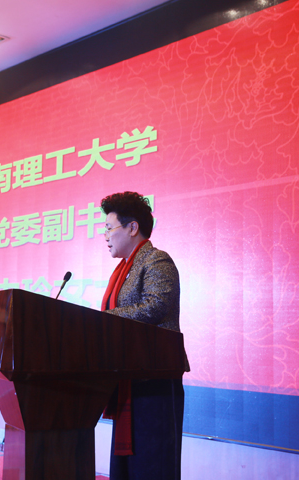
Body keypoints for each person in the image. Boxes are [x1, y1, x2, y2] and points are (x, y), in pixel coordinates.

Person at [100, 191, 188, 480]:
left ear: (132, 227)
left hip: (155, 379)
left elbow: (155, 306)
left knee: (153, 465)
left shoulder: (156, 260)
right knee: (128, 468)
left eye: (109, 228)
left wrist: (104, 319)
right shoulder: (123, 270)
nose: (105, 235)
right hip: (129, 376)